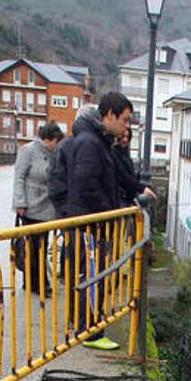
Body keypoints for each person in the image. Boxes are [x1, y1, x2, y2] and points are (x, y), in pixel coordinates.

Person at [66, 92, 133, 350]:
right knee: (91, 277)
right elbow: (86, 185)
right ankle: (91, 333)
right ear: (110, 115)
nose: (126, 126)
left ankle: (92, 327)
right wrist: (108, 212)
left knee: (93, 276)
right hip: (89, 226)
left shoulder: (96, 141)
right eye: (125, 120)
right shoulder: (90, 143)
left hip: (92, 225)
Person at [12, 121, 64, 293]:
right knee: (32, 248)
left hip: (46, 208)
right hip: (30, 208)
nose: (57, 146)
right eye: (56, 141)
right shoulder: (28, 151)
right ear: (48, 139)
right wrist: (20, 202)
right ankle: (38, 283)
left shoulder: (54, 154)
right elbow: (19, 177)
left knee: (40, 247)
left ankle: (36, 282)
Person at [113, 127, 156, 204]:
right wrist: (141, 188)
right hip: (121, 199)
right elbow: (124, 176)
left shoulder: (124, 154)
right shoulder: (115, 154)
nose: (125, 140)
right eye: (123, 137)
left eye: (127, 137)